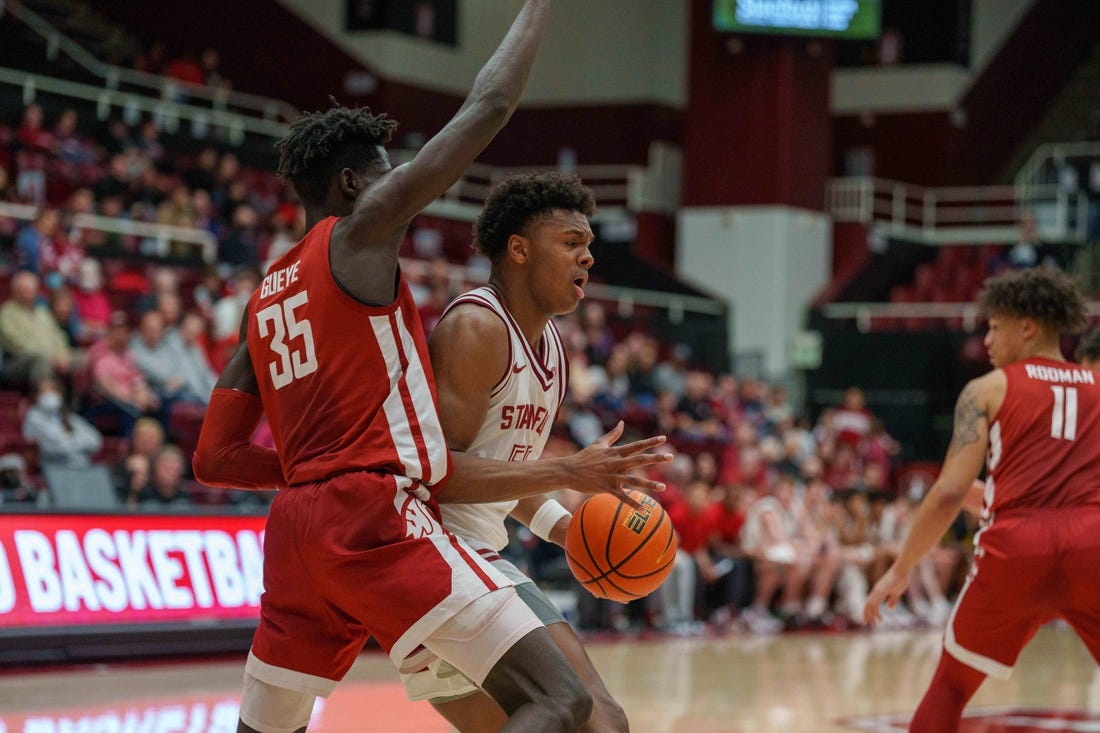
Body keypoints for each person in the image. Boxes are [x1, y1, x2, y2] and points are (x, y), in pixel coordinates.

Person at [191, 3, 669, 732]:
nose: (401, 189)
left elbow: (216, 457)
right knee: (565, 704)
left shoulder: (266, 300)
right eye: (388, 177)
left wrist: (316, 467)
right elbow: (491, 103)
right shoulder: (359, 237)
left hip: (296, 529)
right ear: (355, 187)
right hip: (376, 513)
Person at [399, 171, 630, 732]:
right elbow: (438, 478)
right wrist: (570, 469)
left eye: (589, 246)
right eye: (572, 243)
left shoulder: (550, 346)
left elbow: (508, 474)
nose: (588, 258)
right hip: (434, 556)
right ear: (520, 250)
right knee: (596, 718)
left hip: (469, 564)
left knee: (566, 724)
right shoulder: (477, 328)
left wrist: (566, 531)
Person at [864, 267, 1100, 732]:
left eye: (994, 327)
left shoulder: (986, 390)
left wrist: (902, 567)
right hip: (1093, 544)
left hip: (1015, 548)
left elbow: (949, 491)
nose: (986, 341)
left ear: (1027, 326)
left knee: (951, 688)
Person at [22, 375, 102, 469]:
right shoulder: (34, 417)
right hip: (53, 470)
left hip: (82, 468)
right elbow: (60, 447)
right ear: (36, 395)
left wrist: (69, 438)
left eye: (53, 390)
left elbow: (95, 440)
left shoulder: (68, 415)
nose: (50, 394)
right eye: (44, 391)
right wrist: (79, 440)